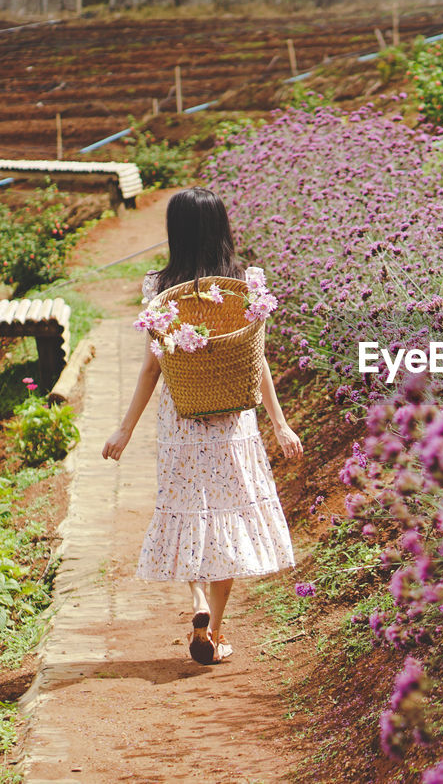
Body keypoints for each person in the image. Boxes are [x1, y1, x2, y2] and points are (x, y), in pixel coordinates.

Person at [101, 187, 303, 665]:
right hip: (233, 421)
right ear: (221, 228)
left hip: (180, 419)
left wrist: (125, 428)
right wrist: (280, 423)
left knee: (188, 510)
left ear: (177, 232)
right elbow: (258, 361)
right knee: (227, 519)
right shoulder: (246, 283)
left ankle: (195, 605)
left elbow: (153, 367)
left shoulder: (159, 288)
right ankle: (213, 629)